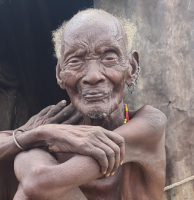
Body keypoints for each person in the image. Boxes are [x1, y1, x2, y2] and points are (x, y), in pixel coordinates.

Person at [11, 9, 167, 200]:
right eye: (76, 61)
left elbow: (36, 181)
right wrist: (41, 135)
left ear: (132, 67)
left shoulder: (150, 123)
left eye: (109, 58)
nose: (93, 77)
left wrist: (34, 138)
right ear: (60, 73)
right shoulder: (60, 133)